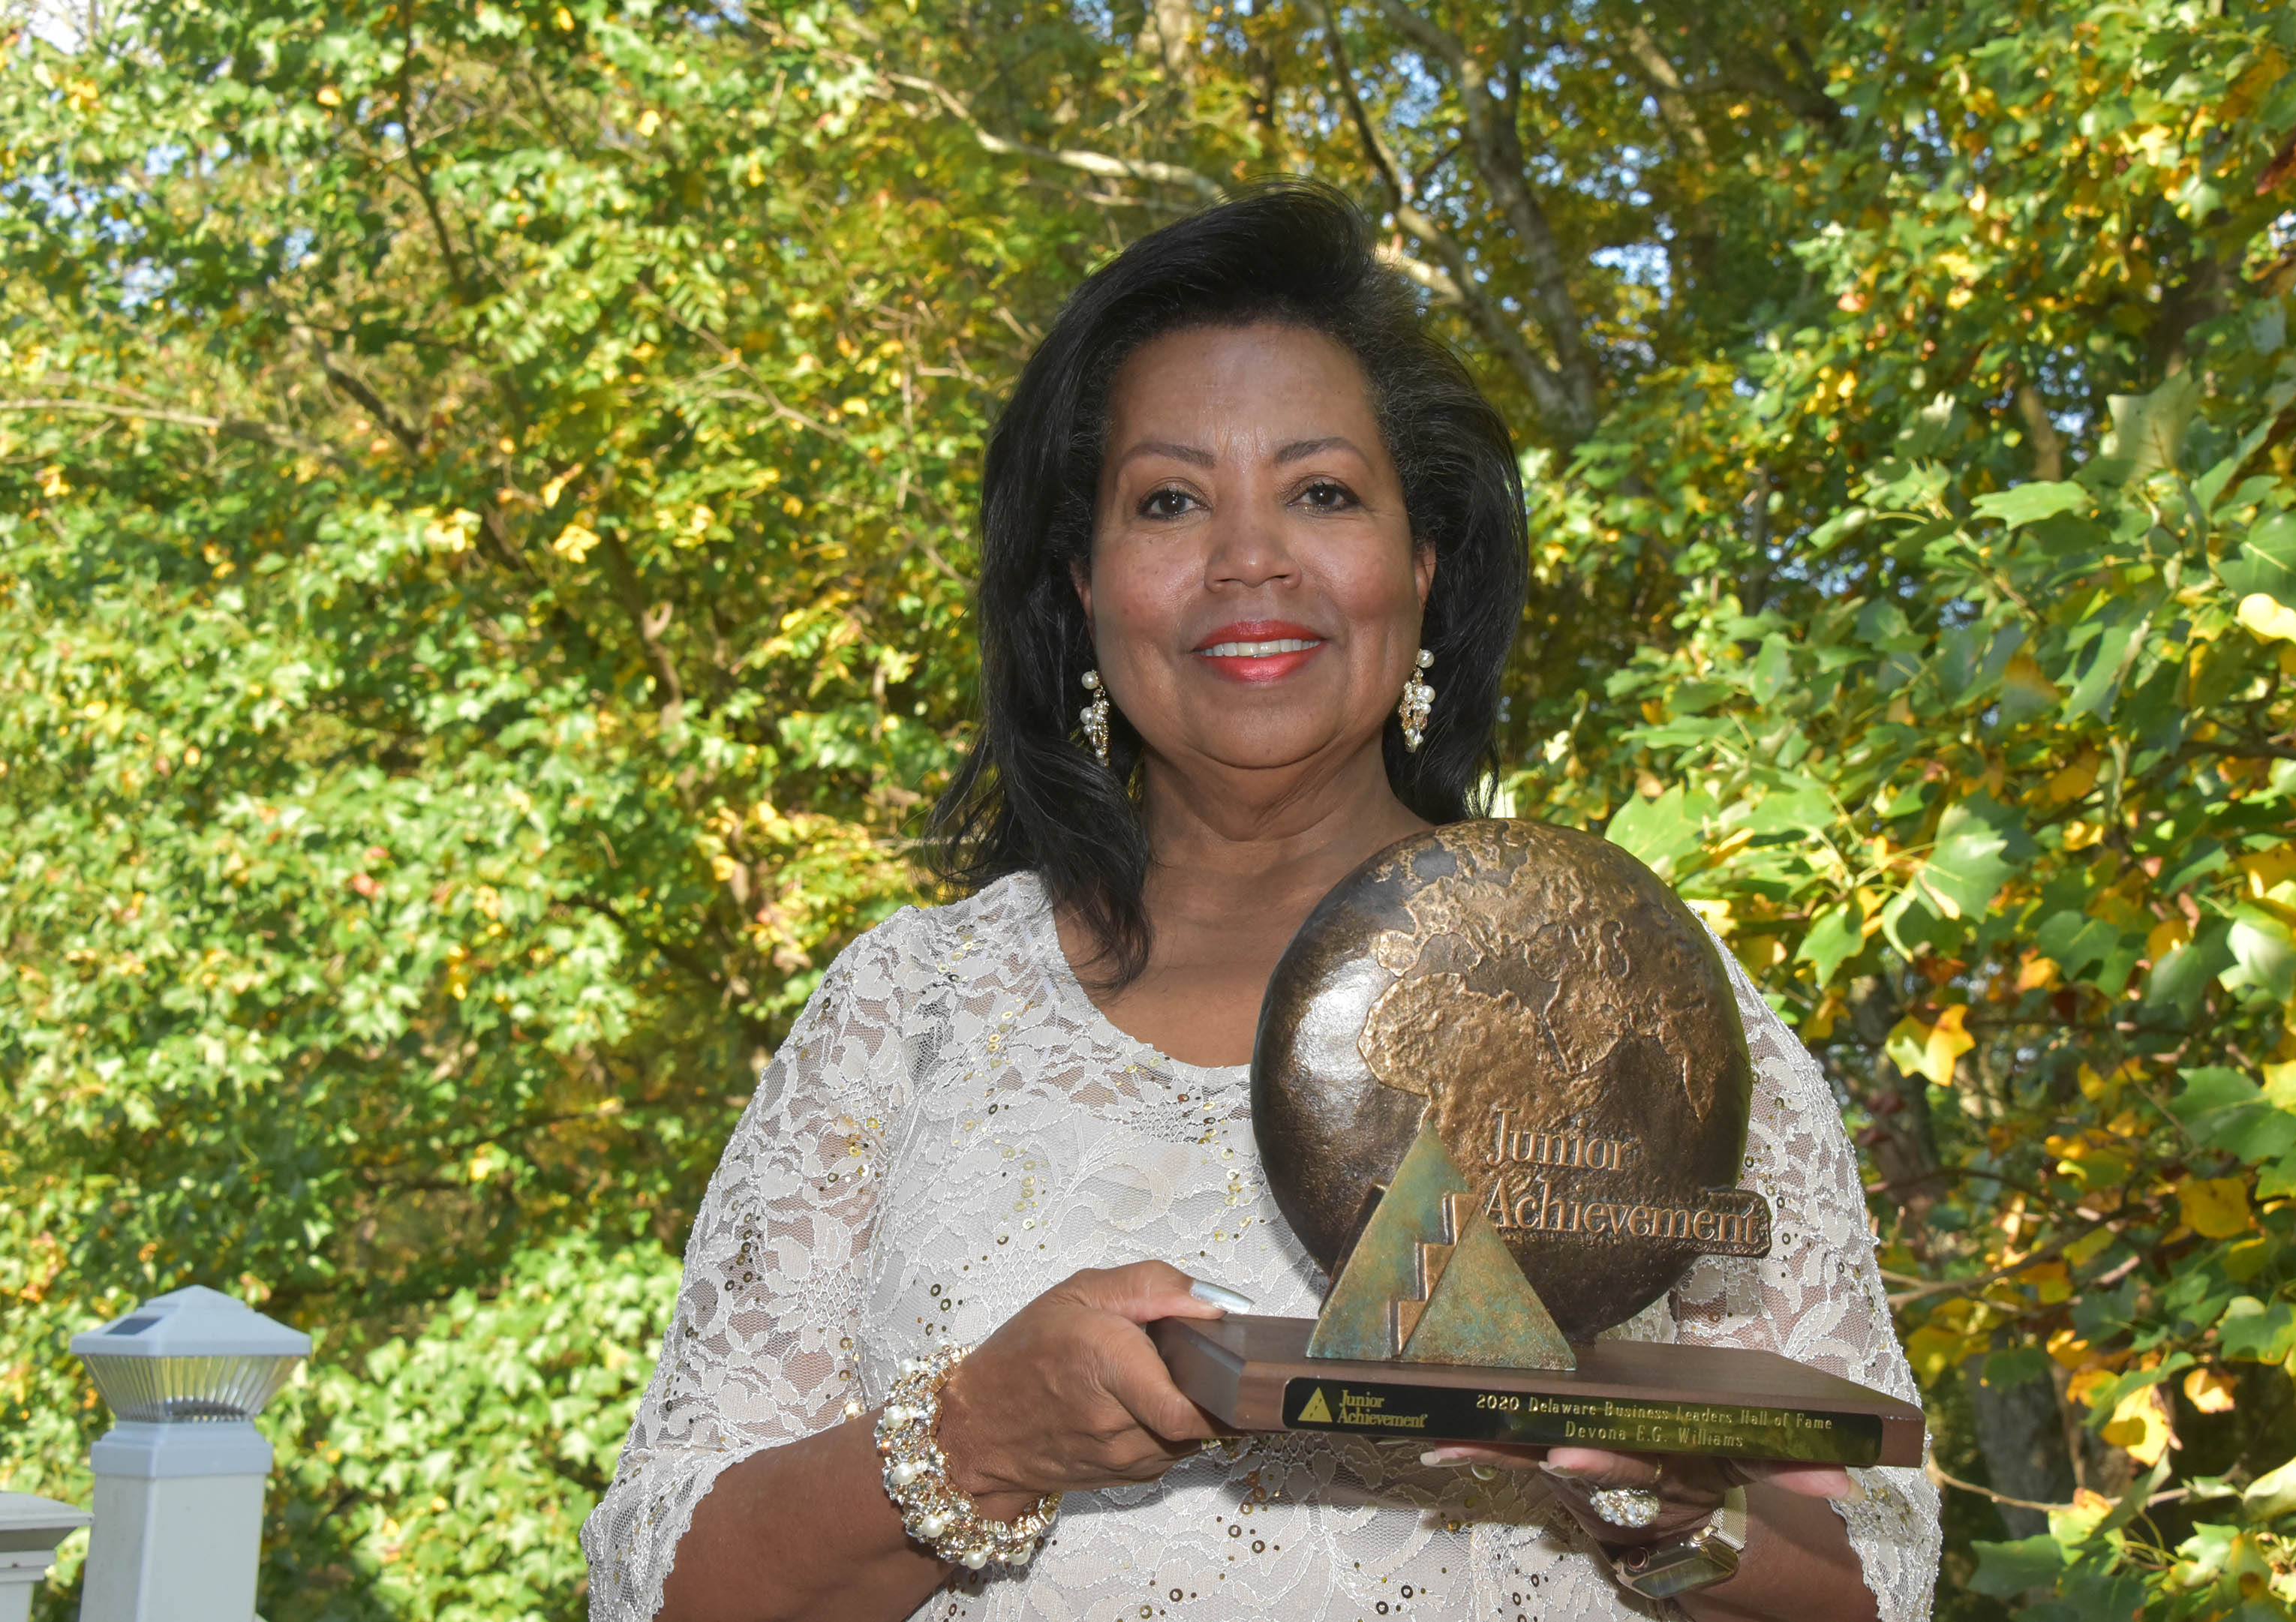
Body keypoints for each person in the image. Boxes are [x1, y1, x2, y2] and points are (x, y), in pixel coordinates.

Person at [581, 181, 1940, 1622]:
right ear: (1084, 585)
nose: (1250, 559)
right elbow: (655, 1589)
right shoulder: (909, 1010)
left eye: (1322, 491)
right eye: (1170, 499)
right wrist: (978, 1436)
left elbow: (1883, 1575)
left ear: (1422, 565)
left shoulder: (1634, 999)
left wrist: (1670, 1499)